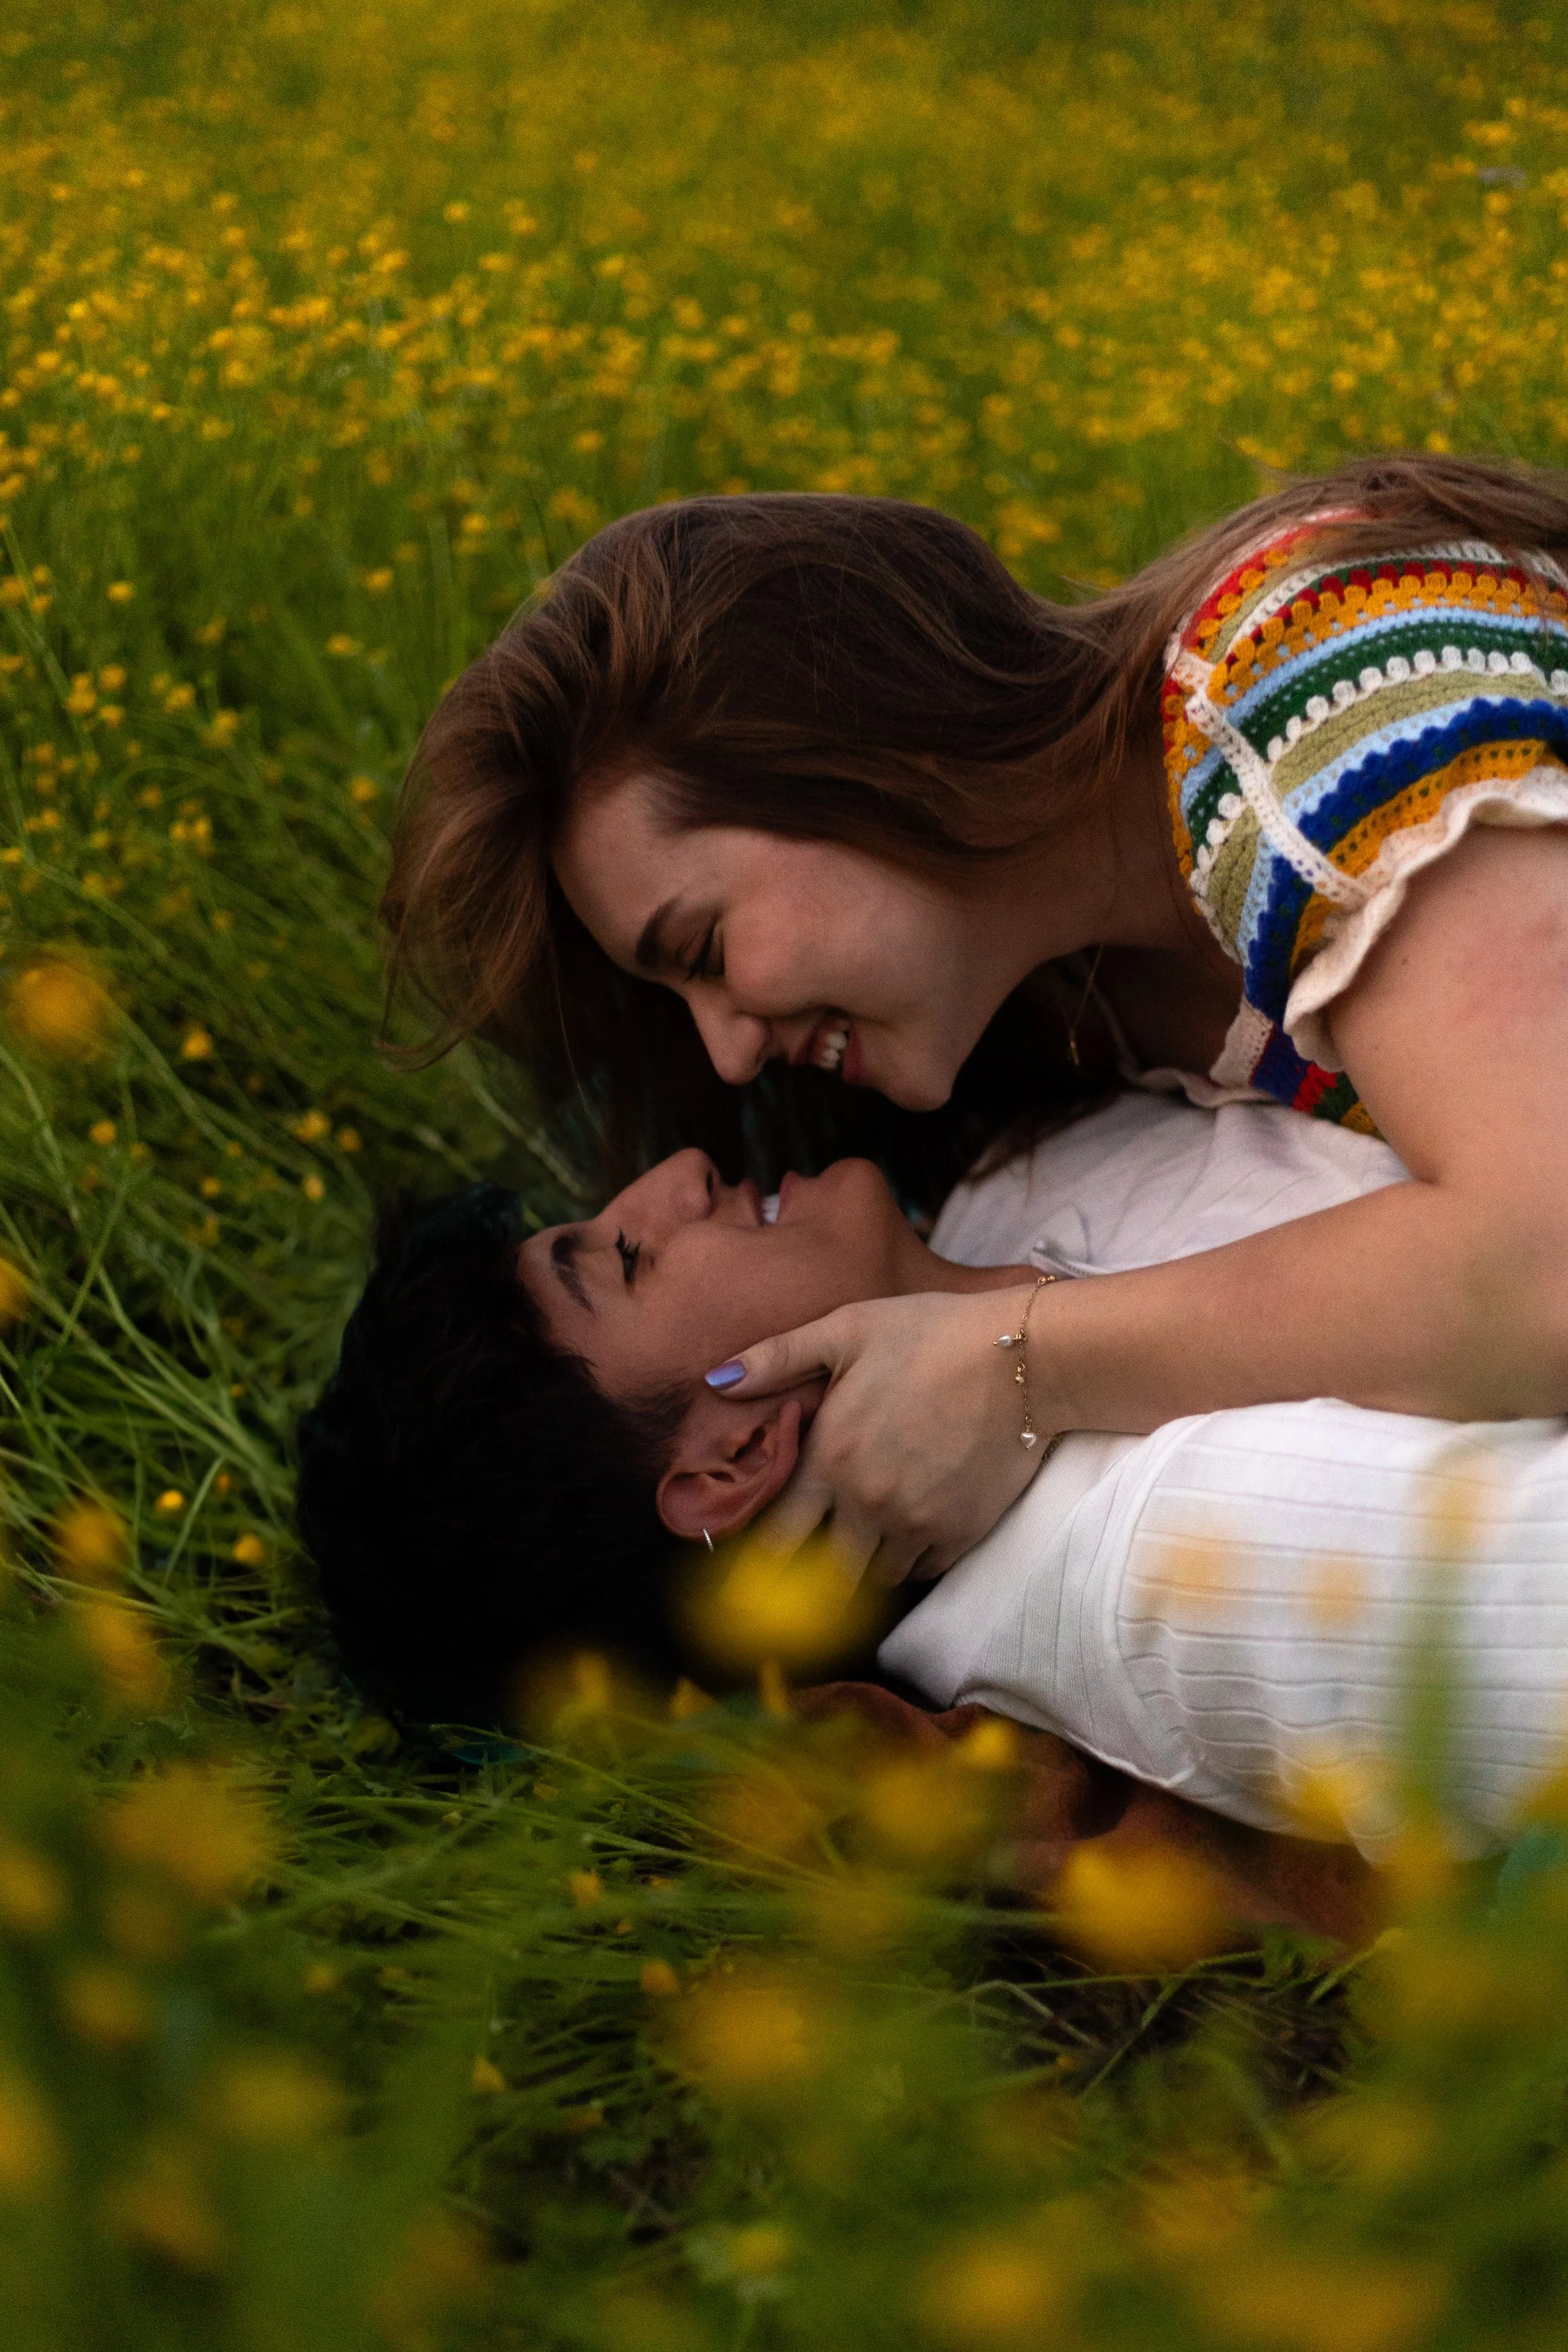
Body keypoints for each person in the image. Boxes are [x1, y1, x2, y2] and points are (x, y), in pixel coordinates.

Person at [379, 456, 1568, 1592]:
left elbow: (1547, 1263)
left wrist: (1025, 1363)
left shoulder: (1307, 691)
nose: (728, 1053)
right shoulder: (1084, 1007)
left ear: (850, 751)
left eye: (703, 951)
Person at [295, 1095, 1568, 1863]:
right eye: (626, 1257)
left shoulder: (1013, 1181)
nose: (678, 1177)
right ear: (729, 1459)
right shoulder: (1186, 1575)